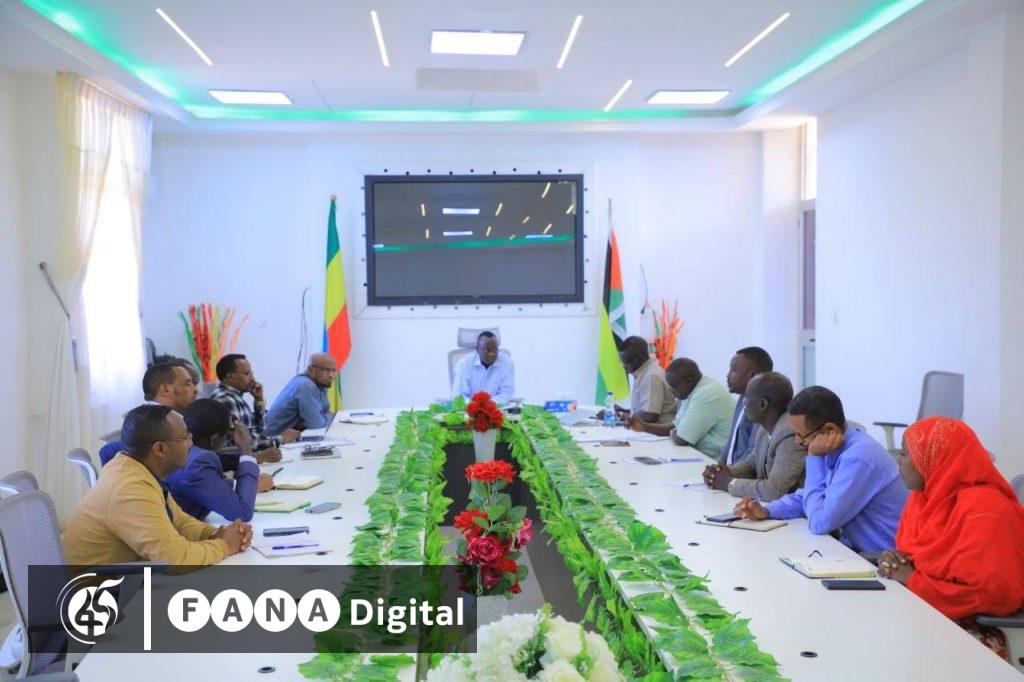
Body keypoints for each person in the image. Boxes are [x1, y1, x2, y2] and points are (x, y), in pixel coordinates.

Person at [877, 417, 1024, 660]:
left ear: (935, 458)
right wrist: (895, 562)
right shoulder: (924, 499)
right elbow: (916, 559)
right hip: (927, 612)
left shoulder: (985, 509)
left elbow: (995, 595)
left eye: (905, 453)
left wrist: (912, 579)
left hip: (976, 630)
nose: (898, 461)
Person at [62, 405, 252, 567]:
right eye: (185, 436)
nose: (191, 443)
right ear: (160, 448)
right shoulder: (129, 489)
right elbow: (176, 560)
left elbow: (179, 522)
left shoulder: (135, 468)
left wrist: (216, 534)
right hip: (99, 593)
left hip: (125, 581)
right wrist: (225, 545)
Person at [734, 386, 908, 552]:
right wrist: (767, 510)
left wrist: (814, 457)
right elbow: (809, 496)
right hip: (851, 549)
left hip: (878, 559)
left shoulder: (858, 457)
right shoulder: (837, 446)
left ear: (829, 429)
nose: (797, 441)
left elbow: (819, 522)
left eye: (802, 435)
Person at [702, 372, 805, 501]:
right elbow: (752, 465)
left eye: (747, 397)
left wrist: (729, 482)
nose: (743, 401)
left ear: (762, 404)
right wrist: (719, 473)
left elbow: (774, 490)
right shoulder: (764, 429)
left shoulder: (790, 434)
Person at [167, 399, 274, 523]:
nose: (230, 438)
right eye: (228, 435)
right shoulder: (198, 461)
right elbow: (242, 512)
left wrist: (238, 485)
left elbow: (207, 485)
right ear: (214, 440)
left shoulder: (181, 450)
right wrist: (246, 450)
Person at [628, 357, 732, 456]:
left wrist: (679, 432)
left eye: (673, 386)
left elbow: (680, 439)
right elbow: (675, 426)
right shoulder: (690, 391)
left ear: (688, 381)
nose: (671, 391)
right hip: (697, 454)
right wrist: (643, 426)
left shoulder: (707, 393)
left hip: (714, 460)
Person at [99, 362, 198, 466]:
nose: (195, 389)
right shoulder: (156, 428)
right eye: (188, 384)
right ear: (166, 389)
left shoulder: (139, 422)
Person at [210, 353, 284, 463]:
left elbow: (260, 430)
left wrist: (258, 400)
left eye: (251, 373)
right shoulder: (226, 399)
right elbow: (246, 444)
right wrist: (280, 439)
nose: (252, 378)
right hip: (234, 465)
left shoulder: (235, 397)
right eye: (246, 373)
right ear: (230, 377)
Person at [720, 347, 773, 465]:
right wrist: (718, 464)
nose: (728, 375)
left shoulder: (762, 406)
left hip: (743, 473)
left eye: (734, 370)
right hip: (730, 470)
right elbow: (731, 442)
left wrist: (729, 472)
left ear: (753, 375)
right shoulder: (743, 397)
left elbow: (753, 453)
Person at [265, 353, 337, 437]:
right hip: (275, 440)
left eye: (334, 371)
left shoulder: (321, 383)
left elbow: (325, 411)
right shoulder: (306, 386)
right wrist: (326, 417)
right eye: (326, 370)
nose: (331, 376)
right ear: (311, 370)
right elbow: (317, 425)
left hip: (293, 435)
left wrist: (320, 418)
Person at [611, 336, 676, 424]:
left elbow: (650, 416)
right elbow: (644, 410)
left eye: (626, 363)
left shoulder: (651, 376)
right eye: (622, 363)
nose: (624, 367)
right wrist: (625, 411)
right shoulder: (644, 372)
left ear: (639, 359)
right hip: (648, 428)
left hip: (657, 430)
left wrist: (619, 416)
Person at [451, 331, 515, 405]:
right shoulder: (464, 365)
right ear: (477, 349)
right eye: (487, 350)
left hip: (495, 408)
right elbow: (458, 396)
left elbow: (506, 393)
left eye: (495, 349)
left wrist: (488, 405)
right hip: (469, 409)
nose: (491, 354)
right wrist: (475, 405)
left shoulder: (507, 363)